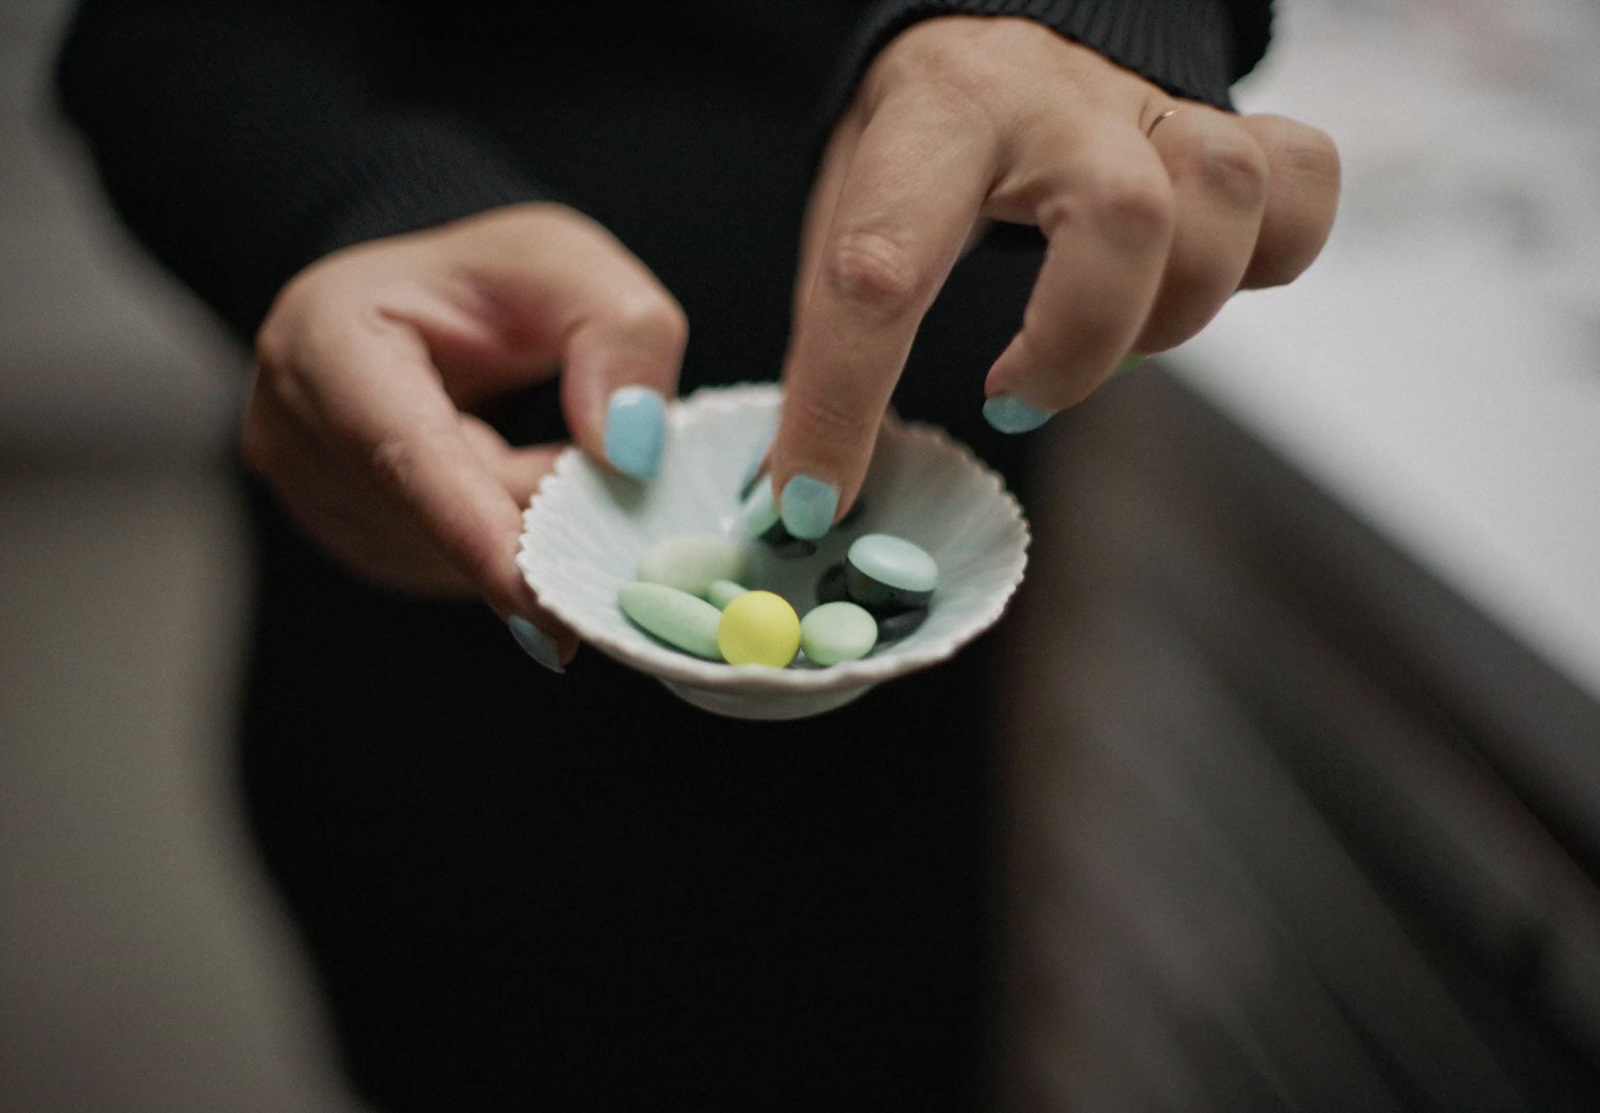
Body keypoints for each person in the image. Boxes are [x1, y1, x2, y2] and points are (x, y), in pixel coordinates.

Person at [55, 1, 1338, 1107]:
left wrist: (1107, 16)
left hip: (902, 726)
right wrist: (343, 209)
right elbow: (156, 33)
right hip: (442, 621)